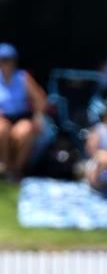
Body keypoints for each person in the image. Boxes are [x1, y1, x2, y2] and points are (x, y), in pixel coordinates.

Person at [0, 43, 47, 178]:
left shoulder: (23, 77)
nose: (6, 64)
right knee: (2, 129)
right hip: (2, 118)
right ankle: (4, 167)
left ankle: (17, 169)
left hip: (21, 116)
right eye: (2, 60)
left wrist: (38, 117)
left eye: (8, 60)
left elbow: (40, 99)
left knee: (25, 131)